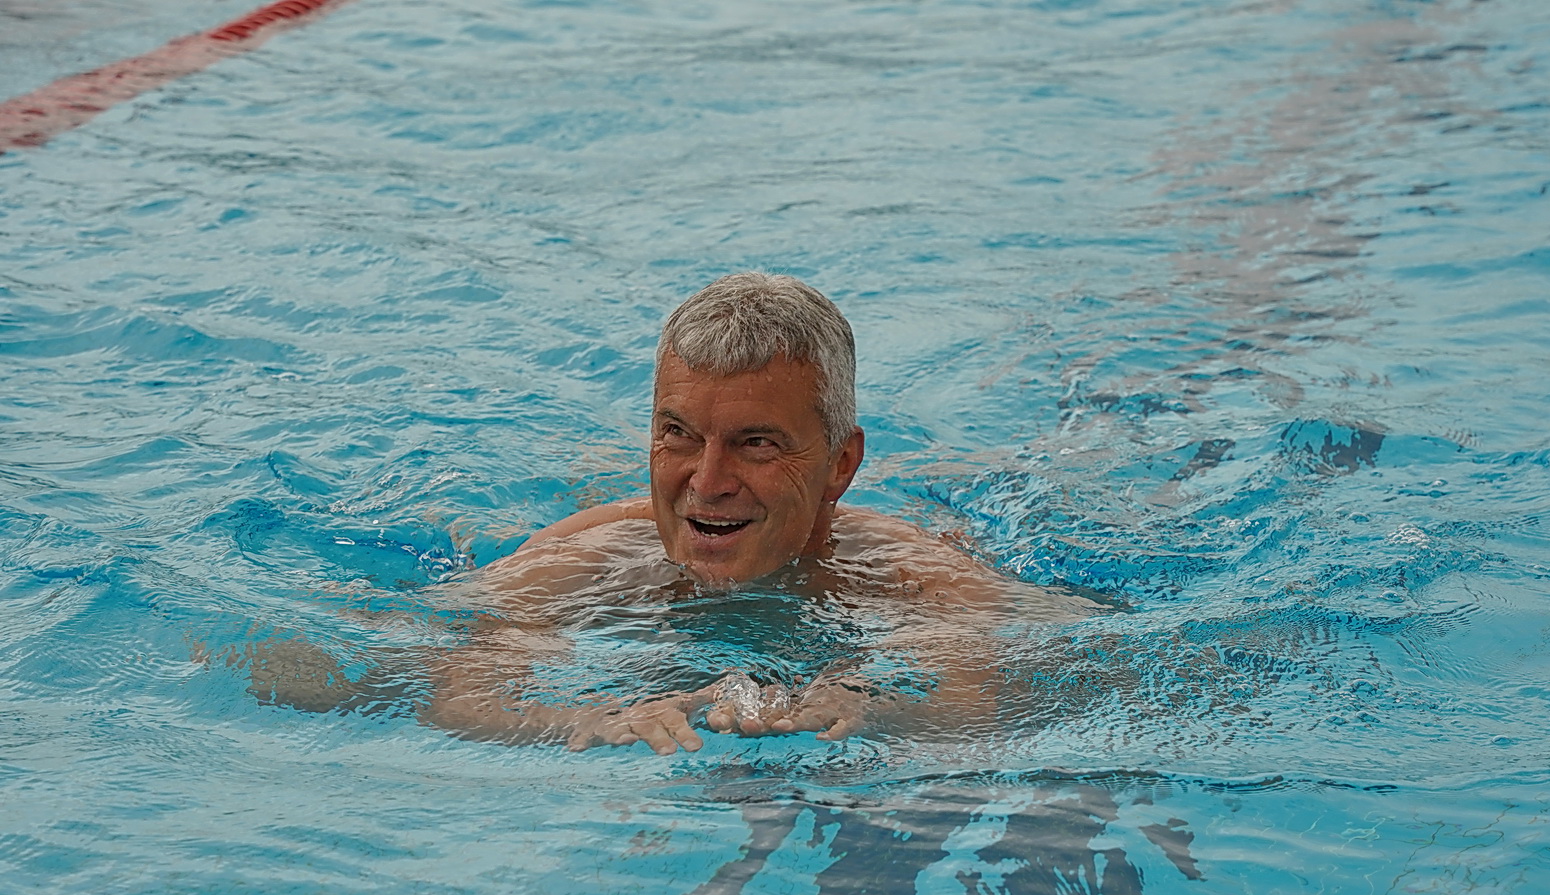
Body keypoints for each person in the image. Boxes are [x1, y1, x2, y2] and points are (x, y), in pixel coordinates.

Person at [245, 273, 1095, 753]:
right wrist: (574, 719)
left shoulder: (915, 580)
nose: (707, 482)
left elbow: (1003, 694)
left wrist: (885, 710)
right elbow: (313, 668)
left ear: (840, 465)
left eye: (757, 444)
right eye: (677, 434)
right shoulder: (589, 558)